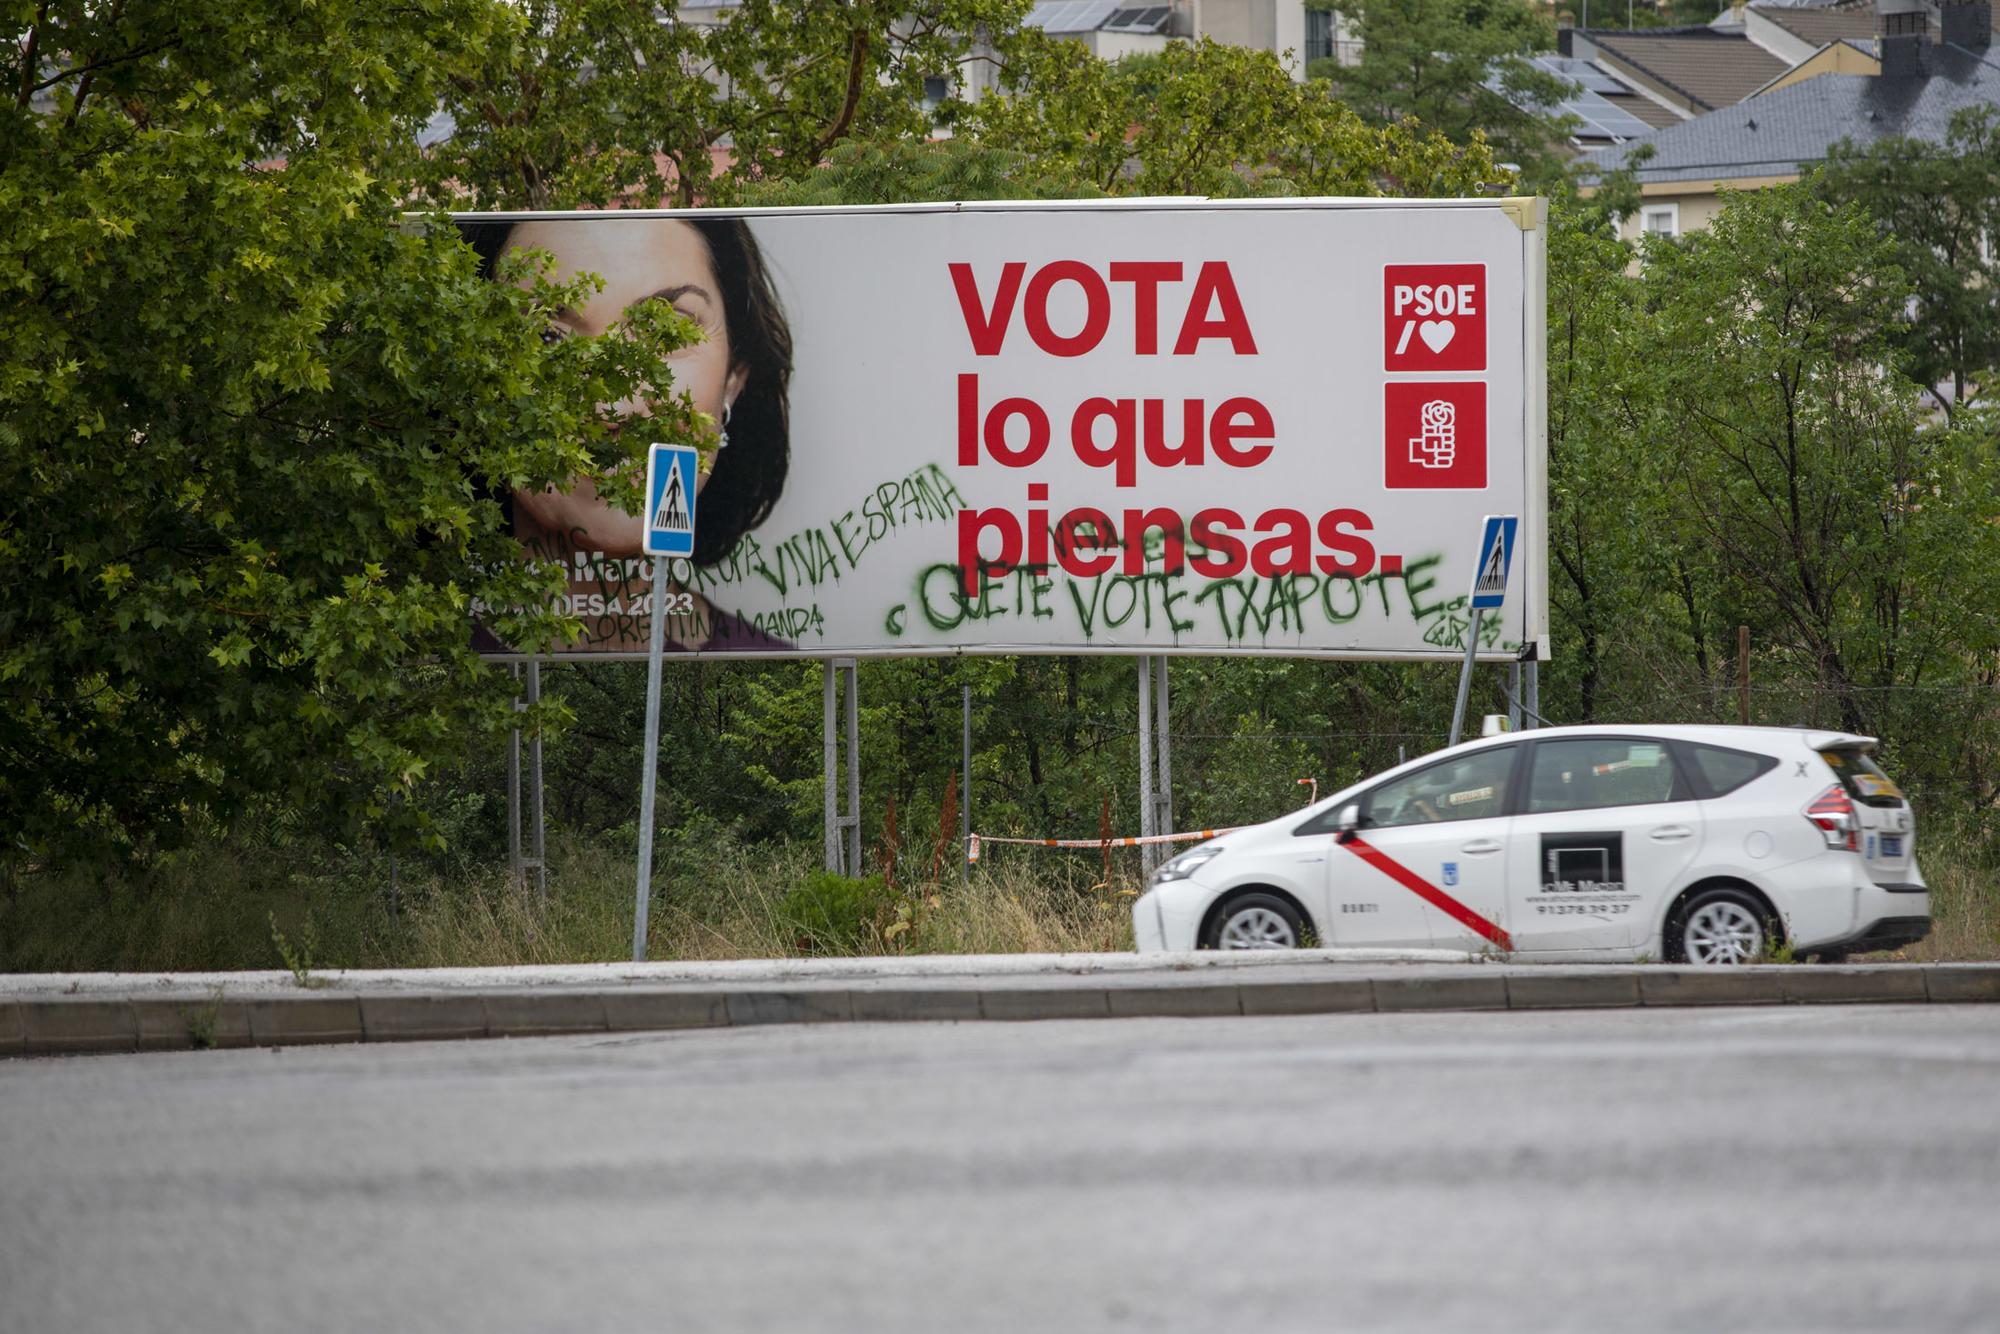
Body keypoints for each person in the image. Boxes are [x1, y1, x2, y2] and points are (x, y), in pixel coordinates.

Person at [459, 215, 795, 652]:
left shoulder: (772, 676)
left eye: (664, 333)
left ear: (733, 378)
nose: (612, 408)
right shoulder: (404, 681)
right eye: (547, 337)